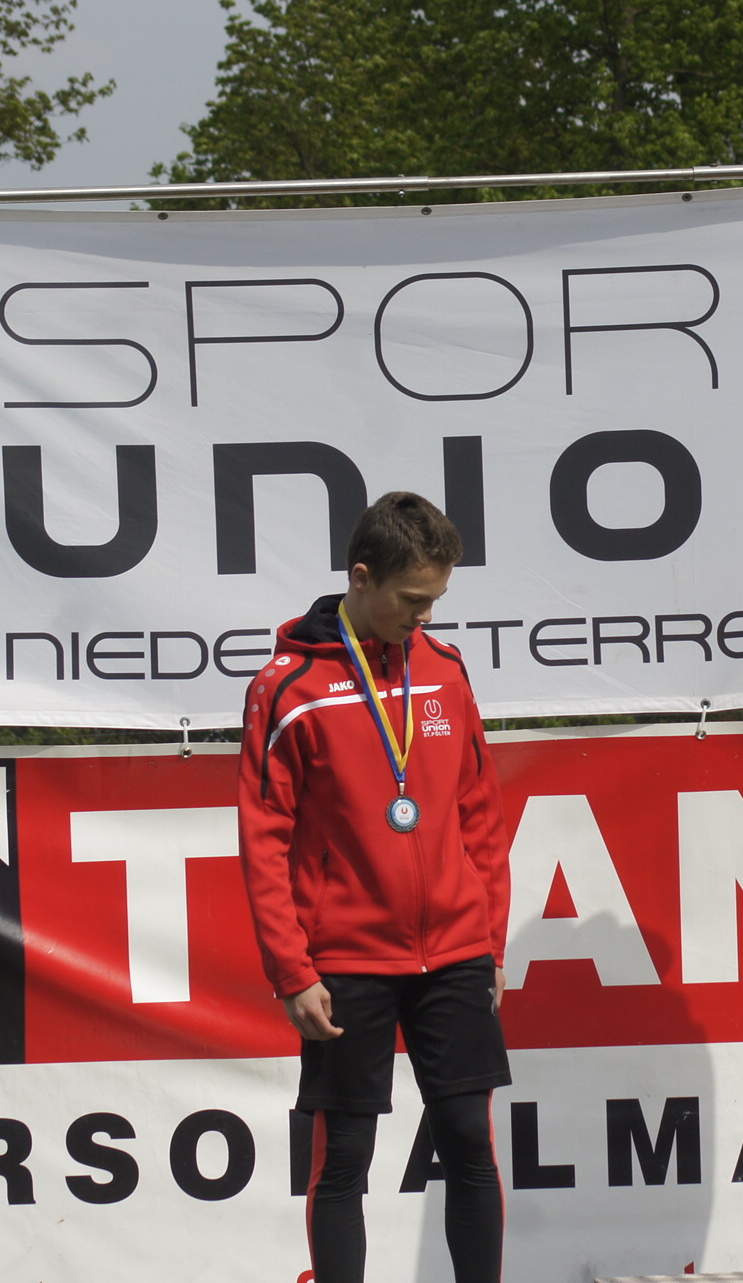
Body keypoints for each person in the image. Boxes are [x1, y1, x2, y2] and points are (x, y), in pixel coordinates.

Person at [238, 492, 511, 1283]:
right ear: (361, 578)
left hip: (454, 949)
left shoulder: (444, 670)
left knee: (469, 1138)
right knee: (346, 1156)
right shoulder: (288, 688)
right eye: (413, 599)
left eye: (436, 600)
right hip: (345, 960)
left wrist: (490, 939)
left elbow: (479, 812)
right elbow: (263, 839)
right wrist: (293, 970)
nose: (425, 616)